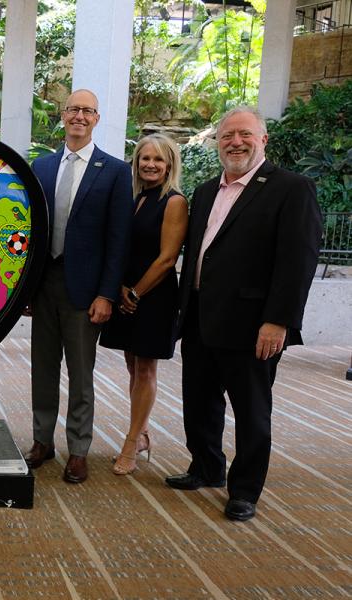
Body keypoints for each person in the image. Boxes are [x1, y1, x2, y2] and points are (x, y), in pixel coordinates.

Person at [165, 107, 322, 521]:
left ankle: (245, 490)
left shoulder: (291, 188)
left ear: (263, 140)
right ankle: (206, 467)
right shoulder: (203, 192)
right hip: (199, 315)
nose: (235, 142)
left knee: (251, 411)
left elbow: (298, 261)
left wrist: (279, 321)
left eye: (244, 134)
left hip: (254, 325)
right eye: (226, 136)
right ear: (217, 143)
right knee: (199, 402)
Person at [26, 89, 133, 482]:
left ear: (96, 118)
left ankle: (78, 449)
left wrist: (106, 293)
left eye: (88, 111)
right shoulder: (42, 167)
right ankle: (42, 441)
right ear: (64, 114)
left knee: (81, 374)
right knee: (43, 369)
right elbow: (32, 229)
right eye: (74, 109)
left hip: (87, 291)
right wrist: (25, 289)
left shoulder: (116, 171)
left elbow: (118, 240)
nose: (80, 117)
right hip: (44, 283)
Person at [100, 134, 188, 475]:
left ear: (170, 165)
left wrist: (135, 293)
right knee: (132, 364)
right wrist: (120, 287)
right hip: (127, 291)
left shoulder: (174, 202)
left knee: (146, 368)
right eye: (144, 158)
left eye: (158, 160)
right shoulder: (134, 197)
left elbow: (167, 258)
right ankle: (143, 431)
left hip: (153, 296)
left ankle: (132, 442)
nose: (150, 164)